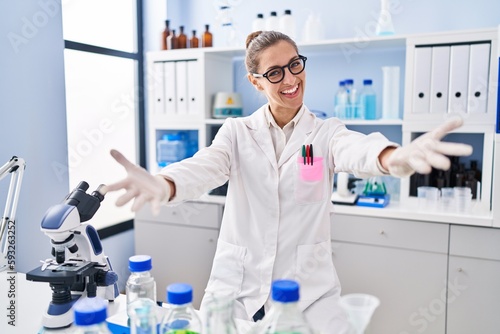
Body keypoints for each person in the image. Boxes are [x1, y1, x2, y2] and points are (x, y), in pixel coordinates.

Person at [102, 31, 472, 333]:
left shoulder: (325, 133)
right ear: (256, 82)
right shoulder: (236, 132)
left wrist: (395, 158)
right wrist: (164, 184)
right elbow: (204, 167)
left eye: (295, 64)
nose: (291, 79)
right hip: (236, 292)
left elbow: (358, 150)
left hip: (310, 295)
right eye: (276, 72)